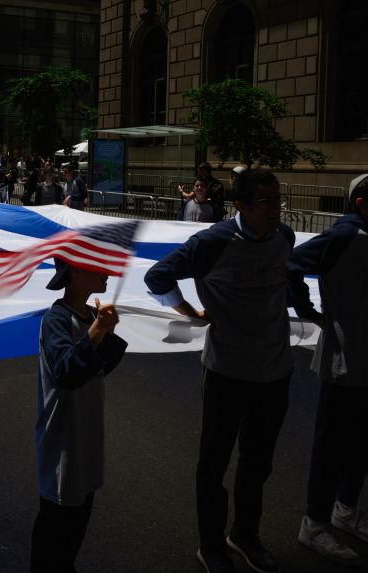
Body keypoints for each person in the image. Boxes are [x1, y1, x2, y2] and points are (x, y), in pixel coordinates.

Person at [144, 169, 294, 573]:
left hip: (276, 370)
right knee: (214, 463)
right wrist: (190, 312)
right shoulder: (212, 242)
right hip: (228, 370)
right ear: (240, 206)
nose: (275, 208)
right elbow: (155, 276)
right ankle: (211, 545)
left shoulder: (285, 237)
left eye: (278, 199)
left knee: (258, 462)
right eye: (265, 201)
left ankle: (245, 536)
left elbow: (286, 279)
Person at [288, 174, 368, 567]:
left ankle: (346, 508)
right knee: (332, 444)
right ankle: (314, 522)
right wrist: (309, 313)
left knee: (367, 442)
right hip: (345, 356)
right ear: (360, 203)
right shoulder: (342, 238)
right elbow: (291, 264)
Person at [30, 258, 127, 573]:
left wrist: (104, 331)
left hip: (87, 440)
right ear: (76, 272)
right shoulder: (55, 319)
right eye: (97, 265)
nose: (107, 272)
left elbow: (99, 370)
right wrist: (98, 330)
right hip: (63, 444)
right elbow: (67, 373)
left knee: (74, 531)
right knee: (54, 536)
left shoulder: (89, 316)